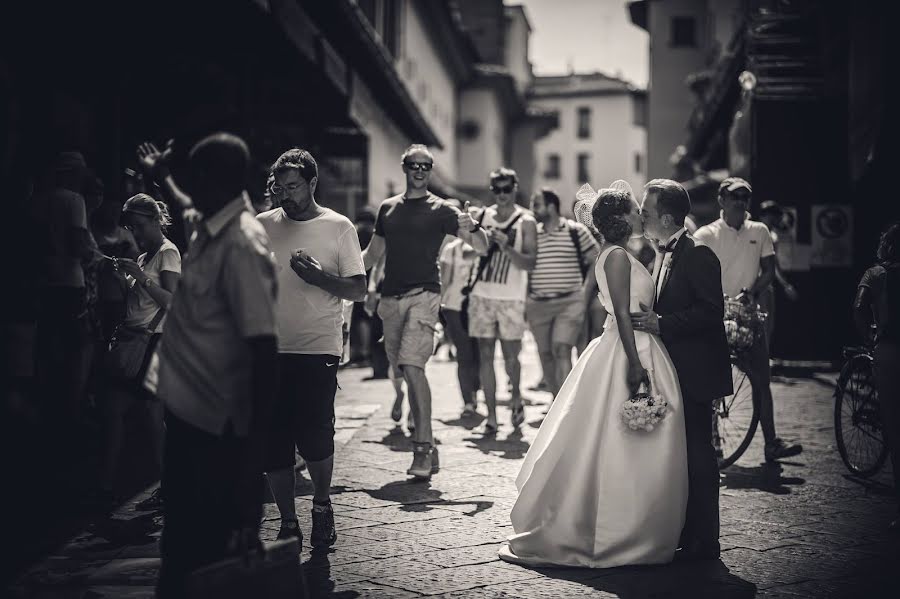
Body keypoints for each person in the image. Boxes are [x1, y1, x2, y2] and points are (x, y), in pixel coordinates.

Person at [499, 185, 689, 568]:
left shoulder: (623, 253)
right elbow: (621, 312)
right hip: (627, 349)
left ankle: (637, 525)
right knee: (618, 440)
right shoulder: (616, 256)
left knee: (621, 438)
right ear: (621, 220)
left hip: (636, 345)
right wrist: (635, 364)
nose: (641, 215)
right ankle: (618, 530)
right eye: (637, 210)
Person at [153, 133, 278, 597]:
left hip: (218, 433)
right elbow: (184, 204)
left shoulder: (242, 245)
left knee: (204, 559)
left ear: (217, 180)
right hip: (189, 421)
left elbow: (264, 357)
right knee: (181, 550)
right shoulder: (207, 225)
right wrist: (161, 175)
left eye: (195, 177)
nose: (191, 186)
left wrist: (251, 472)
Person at [257, 149, 366, 551]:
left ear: (313, 183)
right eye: (280, 187)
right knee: (274, 441)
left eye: (294, 186)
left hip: (317, 346)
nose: (286, 194)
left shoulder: (338, 227)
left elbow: (358, 289)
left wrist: (319, 277)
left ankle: (321, 505)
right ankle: (287, 522)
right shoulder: (262, 225)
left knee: (316, 437)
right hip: (268, 347)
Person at [361, 144, 488, 480]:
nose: (419, 170)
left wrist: (472, 226)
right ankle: (429, 445)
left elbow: (482, 247)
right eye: (413, 165)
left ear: (430, 170)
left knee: (412, 366)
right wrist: (332, 273)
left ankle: (420, 446)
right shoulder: (387, 209)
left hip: (425, 295)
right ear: (404, 168)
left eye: (426, 165)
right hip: (390, 300)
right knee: (401, 369)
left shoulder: (441, 209)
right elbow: (371, 257)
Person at [631, 178, 733, 561]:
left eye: (646, 212)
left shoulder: (698, 254)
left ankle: (706, 540)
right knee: (680, 456)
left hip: (694, 373)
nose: (641, 217)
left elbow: (711, 312)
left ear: (668, 217)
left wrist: (662, 324)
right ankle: (686, 532)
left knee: (699, 455)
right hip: (671, 373)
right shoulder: (661, 254)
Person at [694, 177, 802, 462]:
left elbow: (768, 269)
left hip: (748, 314)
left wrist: (752, 291)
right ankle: (713, 441)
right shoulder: (706, 234)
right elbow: (696, 274)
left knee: (761, 380)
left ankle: (771, 443)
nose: (740, 201)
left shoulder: (760, 230)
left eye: (745, 197)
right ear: (722, 200)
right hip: (715, 316)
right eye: (734, 196)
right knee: (712, 380)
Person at [98, 194, 181, 512]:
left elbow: (172, 302)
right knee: (114, 414)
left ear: (155, 220)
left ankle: (168, 486)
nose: (136, 232)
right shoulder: (146, 255)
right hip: (133, 342)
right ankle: (107, 487)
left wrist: (141, 276)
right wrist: (124, 279)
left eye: (140, 226)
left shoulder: (167, 252)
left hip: (155, 344)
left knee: (151, 417)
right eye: (132, 228)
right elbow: (139, 301)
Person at [466, 168, 536, 434]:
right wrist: (472, 233)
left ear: (515, 188)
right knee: (485, 356)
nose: (503, 195)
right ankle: (492, 416)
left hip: (511, 299)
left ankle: (516, 398)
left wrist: (506, 245)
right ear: (491, 190)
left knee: (511, 357)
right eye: (497, 190)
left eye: (507, 189)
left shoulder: (525, 221)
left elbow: (530, 263)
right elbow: (470, 252)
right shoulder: (481, 217)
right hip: (482, 295)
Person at [527, 187, 597, 400]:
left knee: (561, 348)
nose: (532, 209)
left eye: (536, 204)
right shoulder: (531, 235)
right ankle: (556, 400)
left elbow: (595, 260)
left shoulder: (576, 231)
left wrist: (585, 291)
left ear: (551, 206)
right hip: (538, 305)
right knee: (545, 355)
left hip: (569, 302)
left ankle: (566, 405)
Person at [853, 222, 900, 531]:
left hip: (889, 350)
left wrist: (869, 339)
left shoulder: (876, 275)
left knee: (895, 429)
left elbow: (858, 309)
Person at [439, 218, 481, 416]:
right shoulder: (451, 250)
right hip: (455, 307)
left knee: (480, 353)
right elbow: (445, 282)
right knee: (464, 354)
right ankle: (468, 400)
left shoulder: (484, 248)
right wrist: (439, 308)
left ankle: (475, 391)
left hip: (480, 306)